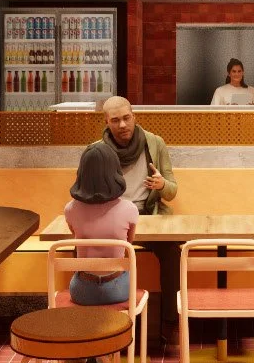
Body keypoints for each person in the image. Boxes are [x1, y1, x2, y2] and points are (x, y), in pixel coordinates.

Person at [98, 96, 180, 348]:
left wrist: (161, 184)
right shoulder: (97, 150)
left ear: (134, 116)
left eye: (126, 118)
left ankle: (170, 323)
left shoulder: (154, 143)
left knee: (173, 251)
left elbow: (172, 190)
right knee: (85, 251)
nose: (122, 125)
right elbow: (86, 190)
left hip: (149, 216)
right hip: (113, 220)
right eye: (115, 120)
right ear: (106, 122)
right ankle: (99, 327)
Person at [61, 142, 139, 306]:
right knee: (127, 272)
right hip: (117, 290)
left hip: (82, 292)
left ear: (82, 173)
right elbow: (128, 245)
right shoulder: (129, 209)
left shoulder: (70, 210)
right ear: (114, 171)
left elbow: (75, 239)